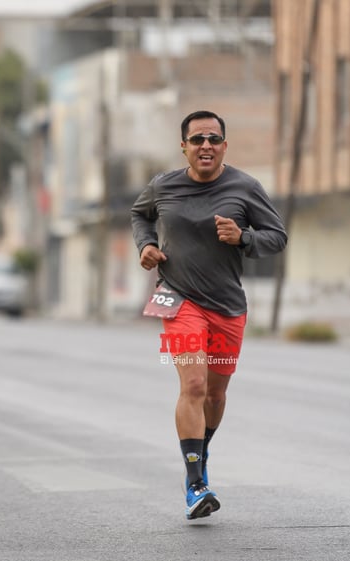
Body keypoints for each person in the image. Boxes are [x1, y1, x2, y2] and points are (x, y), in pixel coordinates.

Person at [131, 110, 287, 520]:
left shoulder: (245, 188)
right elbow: (139, 215)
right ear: (183, 146)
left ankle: (200, 455)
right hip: (178, 300)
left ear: (224, 146)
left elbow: (277, 237)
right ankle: (195, 483)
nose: (206, 146)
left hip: (228, 306)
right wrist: (146, 245)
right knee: (194, 385)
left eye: (213, 139)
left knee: (216, 395)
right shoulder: (163, 185)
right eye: (197, 139)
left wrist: (244, 237)